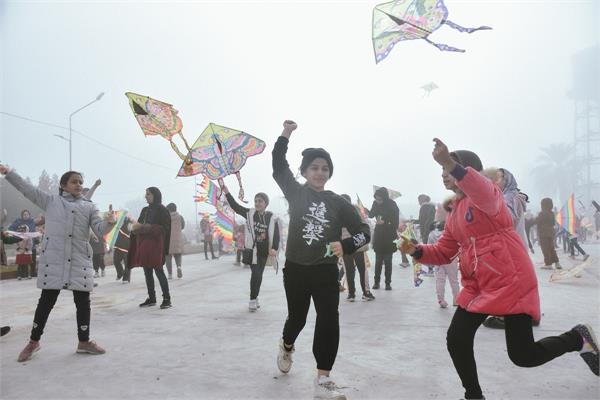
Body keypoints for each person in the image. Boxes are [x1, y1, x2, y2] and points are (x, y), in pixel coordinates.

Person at [399, 139, 599, 400]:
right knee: (457, 338)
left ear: (469, 172)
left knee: (523, 356)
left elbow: (481, 189)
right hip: (478, 285)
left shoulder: (489, 198)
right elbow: (445, 250)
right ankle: (474, 395)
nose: (444, 175)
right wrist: (416, 250)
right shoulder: (456, 211)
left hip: (511, 280)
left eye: (448, 170)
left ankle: (577, 338)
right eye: (442, 172)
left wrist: (450, 161)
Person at [272, 120, 370, 400]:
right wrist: (286, 134)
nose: (319, 172)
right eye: (314, 168)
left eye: (324, 168)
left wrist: (347, 244)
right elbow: (279, 165)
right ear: (304, 172)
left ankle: (323, 379)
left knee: (328, 320)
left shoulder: (338, 202)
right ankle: (287, 345)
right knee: (298, 318)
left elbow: (365, 233)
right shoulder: (296, 192)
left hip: (326, 272)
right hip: (296, 270)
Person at [1, 165, 115, 362]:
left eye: (80, 182)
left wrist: (110, 221)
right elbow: (26, 188)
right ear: (63, 185)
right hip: (54, 260)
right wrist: (8, 173)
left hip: (79, 260)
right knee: (46, 301)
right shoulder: (51, 201)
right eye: (74, 181)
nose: (79, 185)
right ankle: (34, 342)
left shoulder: (90, 206)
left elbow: (99, 229)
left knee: (83, 302)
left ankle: (84, 341)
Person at [223, 185, 280, 312]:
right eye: (256, 201)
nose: (257, 203)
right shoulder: (250, 214)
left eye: (260, 201)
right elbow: (235, 206)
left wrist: (275, 248)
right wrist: (227, 192)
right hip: (253, 251)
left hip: (265, 252)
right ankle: (252, 300)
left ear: (266, 203)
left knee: (259, 276)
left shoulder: (271, 217)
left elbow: (276, 234)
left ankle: (255, 296)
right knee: (256, 274)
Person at [128, 187, 172, 309]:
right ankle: (151, 298)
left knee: (159, 271)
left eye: (148, 194)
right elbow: (139, 225)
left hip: (157, 246)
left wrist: (149, 227)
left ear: (155, 195)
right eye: (146, 194)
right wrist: (134, 228)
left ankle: (167, 299)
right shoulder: (145, 210)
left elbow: (165, 229)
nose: (146, 196)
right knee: (147, 273)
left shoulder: (162, 210)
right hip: (144, 245)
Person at [340, 194, 375, 302]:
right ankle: (366, 292)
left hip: (345, 244)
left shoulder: (337, 211)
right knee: (362, 269)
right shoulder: (356, 210)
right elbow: (364, 224)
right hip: (357, 243)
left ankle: (351, 294)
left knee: (349, 269)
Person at [369, 187, 399, 290]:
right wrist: (365, 209)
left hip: (389, 236)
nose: (378, 201)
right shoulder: (375, 203)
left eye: (380, 199)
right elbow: (371, 214)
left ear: (385, 198)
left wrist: (385, 222)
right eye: (376, 199)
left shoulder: (392, 205)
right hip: (379, 235)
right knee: (378, 261)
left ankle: (387, 283)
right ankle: (376, 282)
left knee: (388, 261)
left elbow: (396, 222)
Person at [428, 221, 459, 308]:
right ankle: (456, 300)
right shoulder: (451, 234)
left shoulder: (431, 234)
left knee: (440, 280)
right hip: (451, 259)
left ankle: (441, 300)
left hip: (438, 258)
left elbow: (429, 247)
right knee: (454, 280)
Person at [536, 198, 562, 270]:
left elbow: (538, 224)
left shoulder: (541, 213)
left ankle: (548, 264)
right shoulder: (552, 213)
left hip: (543, 233)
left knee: (545, 249)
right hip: (551, 233)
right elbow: (553, 223)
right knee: (551, 248)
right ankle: (557, 263)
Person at [165, 203, 185, 279]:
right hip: (177, 239)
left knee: (168, 258)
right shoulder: (180, 217)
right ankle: (179, 267)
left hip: (167, 240)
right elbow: (182, 226)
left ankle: (170, 274)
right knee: (178, 255)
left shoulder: (165, 218)